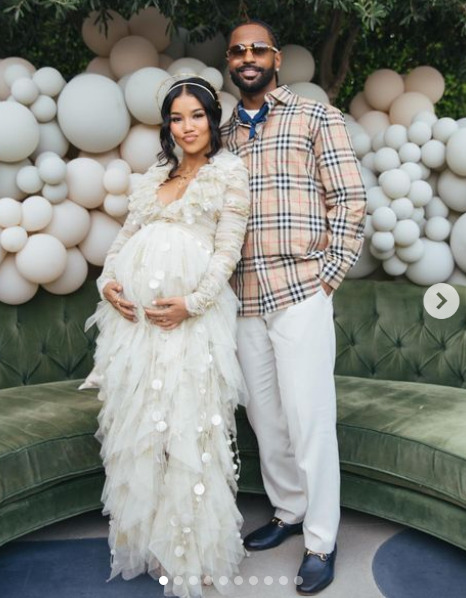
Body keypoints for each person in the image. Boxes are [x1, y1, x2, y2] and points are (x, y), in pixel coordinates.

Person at [85, 76, 250, 598]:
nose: (187, 127)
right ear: (168, 125)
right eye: (177, 118)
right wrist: (107, 282)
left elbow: (227, 249)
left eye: (196, 115)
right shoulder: (155, 174)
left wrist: (192, 303)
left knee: (189, 424)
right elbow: (124, 238)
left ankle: (192, 549)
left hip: (191, 321)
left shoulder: (229, 172)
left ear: (212, 119)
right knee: (141, 425)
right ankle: (148, 540)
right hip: (135, 323)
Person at [221, 20, 367, 595]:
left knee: (310, 419)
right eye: (238, 50)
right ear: (230, 62)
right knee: (265, 418)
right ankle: (287, 510)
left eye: (258, 49)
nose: (248, 57)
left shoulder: (315, 116)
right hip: (243, 298)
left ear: (276, 59)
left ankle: (321, 540)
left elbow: (349, 199)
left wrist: (327, 278)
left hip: (301, 290)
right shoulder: (223, 135)